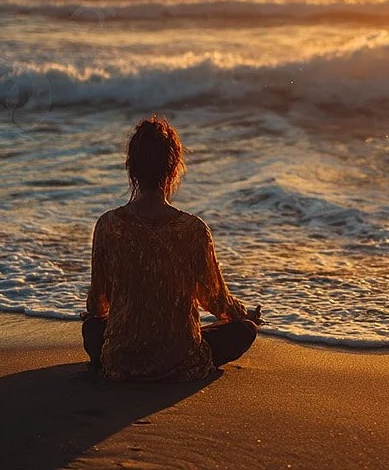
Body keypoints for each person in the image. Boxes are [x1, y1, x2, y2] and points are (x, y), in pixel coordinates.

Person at [81, 115, 261, 381]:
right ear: (174, 167)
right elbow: (217, 301)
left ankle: (110, 358)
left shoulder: (108, 224)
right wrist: (246, 315)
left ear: (132, 168)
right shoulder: (192, 229)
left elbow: (98, 304)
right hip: (181, 361)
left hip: (120, 361)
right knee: (244, 330)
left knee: (92, 327)